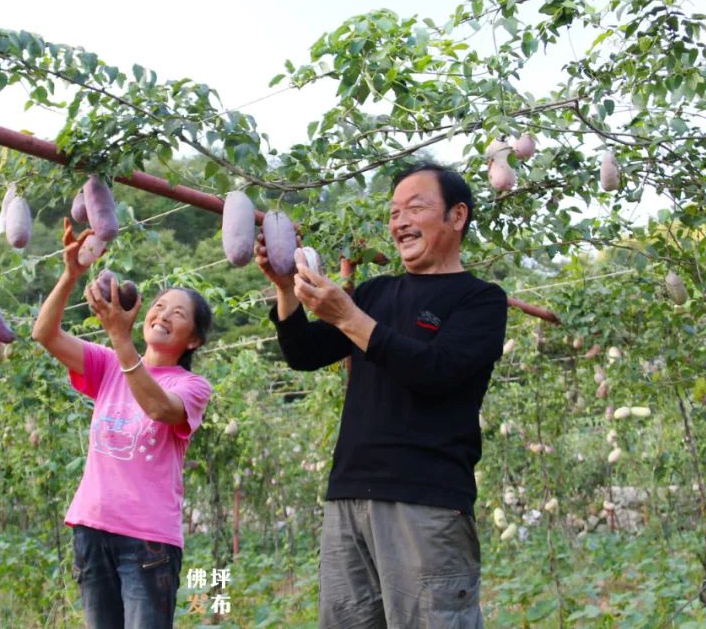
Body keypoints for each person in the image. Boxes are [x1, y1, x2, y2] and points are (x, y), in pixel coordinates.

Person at [257, 163, 507, 627]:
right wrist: (283, 290)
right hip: (349, 495)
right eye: (393, 212)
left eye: (415, 207)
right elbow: (304, 354)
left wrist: (348, 316)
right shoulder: (376, 293)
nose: (399, 221)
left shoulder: (481, 300)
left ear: (457, 217)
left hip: (426, 501)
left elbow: (437, 371)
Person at [32, 220, 213, 629]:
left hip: (148, 541)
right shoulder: (107, 363)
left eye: (178, 314)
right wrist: (71, 274)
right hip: (91, 528)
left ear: (193, 340)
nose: (163, 314)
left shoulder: (193, 386)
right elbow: (44, 333)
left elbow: (159, 409)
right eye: (160, 305)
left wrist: (120, 338)